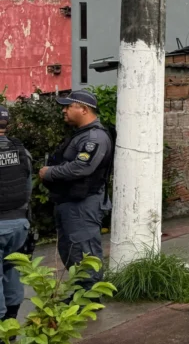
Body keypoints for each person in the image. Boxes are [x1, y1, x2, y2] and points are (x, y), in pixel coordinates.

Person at [39, 90, 114, 292]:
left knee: (85, 252)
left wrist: (49, 172)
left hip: (83, 204)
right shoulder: (81, 134)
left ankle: (90, 299)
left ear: (83, 109)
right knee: (71, 251)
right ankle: (81, 294)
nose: (63, 111)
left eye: (68, 106)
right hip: (71, 202)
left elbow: (82, 167)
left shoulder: (94, 137)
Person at [0, 106, 30, 321]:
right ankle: (11, 321)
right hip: (20, 223)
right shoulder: (20, 150)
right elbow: (27, 186)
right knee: (11, 269)